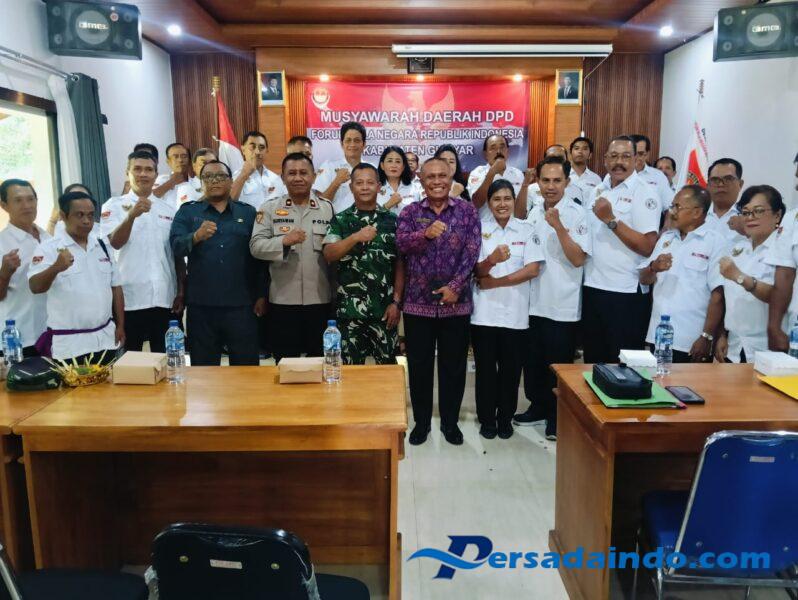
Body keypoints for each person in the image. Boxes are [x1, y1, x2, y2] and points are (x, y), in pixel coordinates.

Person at [397, 158, 480, 446]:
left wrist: (456, 286)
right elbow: (401, 244)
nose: (436, 181)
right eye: (430, 176)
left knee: (453, 367)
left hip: (456, 304)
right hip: (417, 305)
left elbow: (472, 252)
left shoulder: (467, 211)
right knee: (419, 366)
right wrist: (424, 234)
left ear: (451, 177)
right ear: (421, 180)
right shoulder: (410, 212)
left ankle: (450, 423)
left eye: (442, 176)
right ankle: (421, 423)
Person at [514, 157, 591, 440]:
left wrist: (559, 227)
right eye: (545, 180)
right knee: (533, 362)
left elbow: (578, 258)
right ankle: (537, 407)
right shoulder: (535, 209)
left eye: (557, 180)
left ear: (567, 183)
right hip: (533, 302)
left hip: (561, 304)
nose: (550, 186)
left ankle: (557, 417)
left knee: (558, 366)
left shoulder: (577, 213)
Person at [170, 160, 266, 366]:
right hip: (202, 306)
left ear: (231, 181)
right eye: (208, 177)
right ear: (201, 183)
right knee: (204, 372)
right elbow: (176, 247)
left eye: (221, 176)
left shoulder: (248, 212)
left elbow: (259, 257)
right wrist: (195, 236)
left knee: (246, 370)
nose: (215, 180)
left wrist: (261, 294)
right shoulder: (188, 212)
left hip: (241, 305)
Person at [472, 180, 543, 440]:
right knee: (485, 372)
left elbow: (532, 269)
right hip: (483, 314)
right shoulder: (479, 229)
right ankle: (487, 420)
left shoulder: (527, 229)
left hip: (516, 315)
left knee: (511, 372)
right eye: (496, 199)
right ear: (489, 203)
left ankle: (505, 419)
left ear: (514, 201)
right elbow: (475, 271)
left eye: (507, 198)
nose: (502, 204)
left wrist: (495, 282)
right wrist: (491, 260)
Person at [582, 136, 660, 364]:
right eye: (614, 156)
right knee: (594, 364)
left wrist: (611, 220)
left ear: (636, 160)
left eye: (626, 156)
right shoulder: (597, 189)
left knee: (623, 369)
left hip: (626, 294)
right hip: (593, 288)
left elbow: (648, 246)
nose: (619, 162)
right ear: (605, 159)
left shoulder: (645, 192)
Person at [250, 153, 333, 362]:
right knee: (285, 363)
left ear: (313, 176)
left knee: (319, 363)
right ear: (282, 177)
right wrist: (283, 242)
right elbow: (255, 246)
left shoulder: (327, 208)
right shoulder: (269, 208)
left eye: (303, 173)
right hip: (282, 301)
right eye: (292, 173)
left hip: (319, 300)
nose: (298, 178)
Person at [101, 150, 185, 353]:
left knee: (166, 360)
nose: (143, 174)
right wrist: (131, 216)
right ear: (127, 173)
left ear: (156, 175)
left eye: (149, 170)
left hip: (164, 297)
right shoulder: (113, 206)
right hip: (129, 300)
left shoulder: (168, 210)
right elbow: (114, 243)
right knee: (131, 362)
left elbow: (176, 255)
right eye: (137, 169)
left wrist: (181, 291)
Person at [28, 191, 124, 362]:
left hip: (105, 339)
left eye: (90, 215)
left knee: (108, 380)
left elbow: (116, 287)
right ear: (64, 216)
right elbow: (35, 287)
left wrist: (120, 326)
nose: (86, 221)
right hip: (70, 345)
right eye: (79, 215)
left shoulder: (102, 246)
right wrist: (56, 268)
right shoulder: (49, 248)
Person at [323, 163, 404, 364]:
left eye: (370, 182)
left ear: (379, 187)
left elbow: (400, 265)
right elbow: (329, 254)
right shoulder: (340, 220)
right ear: (352, 187)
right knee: (350, 373)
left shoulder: (393, 221)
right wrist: (355, 237)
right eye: (359, 183)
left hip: (384, 311)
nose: (365, 187)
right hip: (350, 313)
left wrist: (396, 303)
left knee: (388, 371)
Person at [639, 186, 725, 363]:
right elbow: (644, 279)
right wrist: (653, 267)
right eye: (672, 206)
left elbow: (718, 295)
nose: (672, 212)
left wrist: (706, 336)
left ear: (697, 212)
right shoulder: (666, 239)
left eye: (677, 207)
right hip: (658, 335)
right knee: (657, 380)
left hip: (691, 340)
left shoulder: (715, 241)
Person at [717, 185, 785, 362]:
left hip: (767, 351)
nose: (750, 217)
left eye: (758, 211)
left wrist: (740, 277)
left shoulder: (785, 252)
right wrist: (723, 334)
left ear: (777, 215)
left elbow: (780, 296)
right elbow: (728, 298)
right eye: (746, 212)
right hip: (734, 347)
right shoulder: (738, 250)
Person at [0, 179, 49, 356]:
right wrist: (4, 274)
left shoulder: (49, 238)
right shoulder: (2, 243)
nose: (26, 206)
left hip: (52, 334)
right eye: (18, 200)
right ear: (4, 205)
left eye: (30, 199)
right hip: (19, 339)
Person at [313, 121, 367, 212]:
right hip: (334, 220)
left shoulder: (372, 169)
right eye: (348, 140)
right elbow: (319, 205)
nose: (352, 144)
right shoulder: (328, 167)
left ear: (364, 144)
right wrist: (336, 182)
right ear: (342, 144)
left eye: (357, 140)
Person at [467, 134, 525, 217]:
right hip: (486, 224)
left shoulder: (518, 174)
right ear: (485, 154)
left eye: (502, 147)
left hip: (513, 223)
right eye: (493, 148)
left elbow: (522, 208)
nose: (498, 151)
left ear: (507, 151)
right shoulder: (477, 173)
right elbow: (476, 203)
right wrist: (492, 173)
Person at [517, 148, 584, 218]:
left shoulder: (578, 211)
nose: (551, 187)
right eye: (546, 180)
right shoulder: (534, 212)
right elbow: (519, 216)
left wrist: (557, 224)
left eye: (557, 180)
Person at [231, 131, 287, 210]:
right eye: (252, 147)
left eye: (262, 147)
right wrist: (243, 175)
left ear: (267, 151)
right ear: (243, 150)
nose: (257, 152)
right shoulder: (235, 177)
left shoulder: (275, 179)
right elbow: (229, 203)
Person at [706, 158, 747, 247]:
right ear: (707, 185)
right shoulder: (695, 217)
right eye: (715, 180)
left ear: (740, 184)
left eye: (728, 179)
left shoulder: (748, 218)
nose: (721, 184)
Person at [630, 134, 673, 213]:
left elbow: (669, 207)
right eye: (633, 153)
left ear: (647, 154)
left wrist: (668, 221)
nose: (636, 157)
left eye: (640, 153)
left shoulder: (658, 176)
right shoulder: (616, 175)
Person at [376, 146, 419, 214]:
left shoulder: (414, 188)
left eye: (398, 161)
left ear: (403, 166)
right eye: (390, 161)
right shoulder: (375, 188)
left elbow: (420, 215)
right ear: (382, 165)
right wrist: (387, 205)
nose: (394, 165)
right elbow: (369, 217)